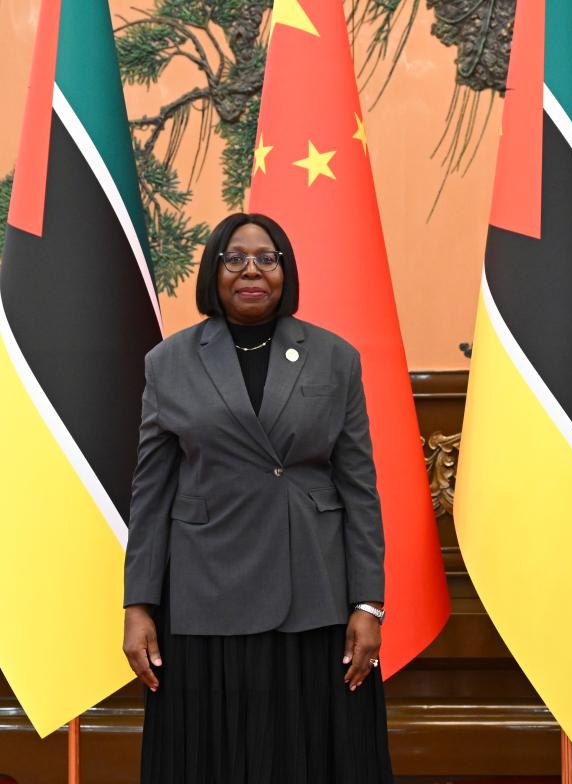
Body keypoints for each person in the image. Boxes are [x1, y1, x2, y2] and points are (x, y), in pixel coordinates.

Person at [122, 213, 393, 783]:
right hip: (205, 597)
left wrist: (368, 604)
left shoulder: (334, 357)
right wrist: (138, 604)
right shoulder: (168, 362)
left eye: (267, 259)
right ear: (213, 271)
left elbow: (359, 488)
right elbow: (150, 493)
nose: (252, 270)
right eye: (234, 258)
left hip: (314, 594)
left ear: (285, 271)